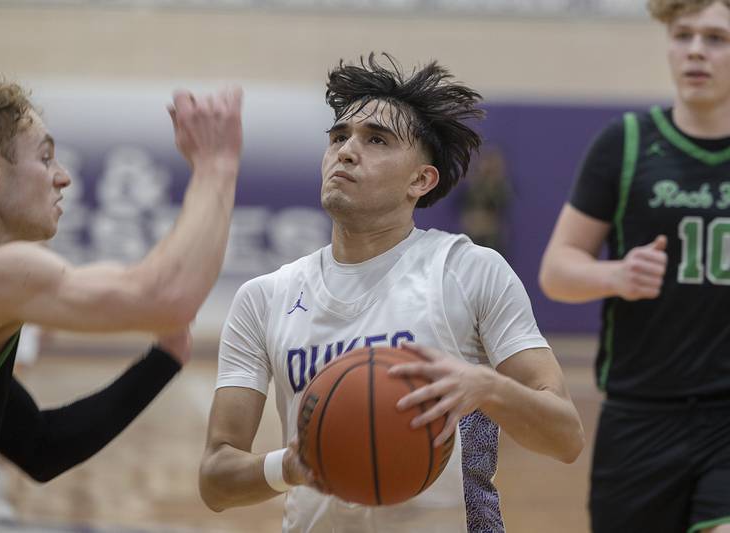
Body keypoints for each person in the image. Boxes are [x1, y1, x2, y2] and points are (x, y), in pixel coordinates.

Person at [199, 54, 584, 533]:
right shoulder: (264, 297)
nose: (346, 151)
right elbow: (215, 479)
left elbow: (566, 435)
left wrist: (487, 387)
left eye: (376, 139)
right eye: (339, 137)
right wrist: (291, 467)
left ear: (420, 181)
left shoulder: (468, 271)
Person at [0, 76, 243, 531]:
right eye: (45, 156)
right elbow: (166, 295)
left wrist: (162, 361)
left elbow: (39, 446)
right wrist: (218, 164)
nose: (63, 176)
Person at [539, 2, 730, 532]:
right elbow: (557, 269)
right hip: (639, 412)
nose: (695, 49)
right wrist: (616, 275)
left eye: (716, 38)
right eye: (683, 35)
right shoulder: (624, 145)